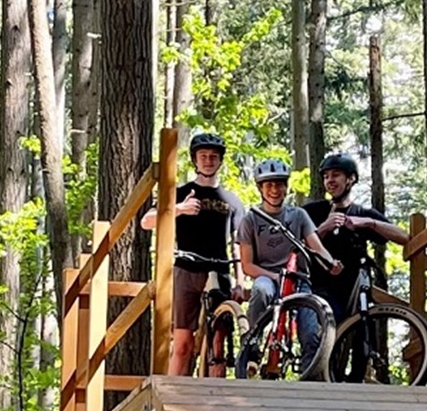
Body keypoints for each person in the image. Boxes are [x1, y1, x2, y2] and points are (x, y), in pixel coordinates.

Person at [142, 132, 245, 376]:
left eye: (213, 156)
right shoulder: (181, 193)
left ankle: (216, 399)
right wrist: (178, 209)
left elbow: (238, 243)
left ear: (220, 161)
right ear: (194, 160)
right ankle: (174, 396)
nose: (208, 161)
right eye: (203, 156)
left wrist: (241, 282)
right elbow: (146, 221)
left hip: (220, 270)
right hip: (186, 268)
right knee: (182, 343)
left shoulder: (233, 201)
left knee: (218, 342)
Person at [237, 157, 342, 363]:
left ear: (286, 187)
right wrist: (275, 276)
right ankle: (252, 343)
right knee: (261, 290)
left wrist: (331, 263)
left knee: (311, 331)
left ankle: (308, 379)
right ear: (260, 188)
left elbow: (316, 246)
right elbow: (248, 265)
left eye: (279, 184)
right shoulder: (251, 220)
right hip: (267, 276)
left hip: (298, 279)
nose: (274, 190)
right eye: (268, 185)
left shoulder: (298, 216)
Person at [303, 153, 409, 323]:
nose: (330, 180)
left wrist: (369, 223)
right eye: (326, 176)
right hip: (320, 288)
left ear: (350, 179)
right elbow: (295, 247)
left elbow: (404, 237)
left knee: (365, 330)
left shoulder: (362, 214)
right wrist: (323, 228)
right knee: (328, 328)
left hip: (355, 288)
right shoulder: (312, 212)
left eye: (336, 175)